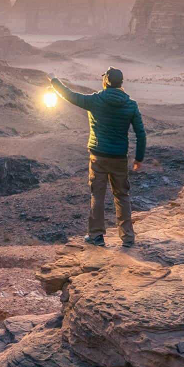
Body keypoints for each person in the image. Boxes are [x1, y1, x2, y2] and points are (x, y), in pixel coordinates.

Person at [49, 67, 146, 248]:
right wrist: (138, 158)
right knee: (122, 195)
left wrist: (54, 80)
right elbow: (141, 133)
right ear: (121, 83)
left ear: (106, 81)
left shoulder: (95, 100)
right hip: (119, 158)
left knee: (97, 196)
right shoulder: (131, 105)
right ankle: (127, 237)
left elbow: (69, 95)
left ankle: (96, 236)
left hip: (98, 156)